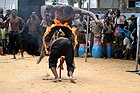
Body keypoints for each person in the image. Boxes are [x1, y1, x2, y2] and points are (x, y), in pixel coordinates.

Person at [37, 4, 99, 82]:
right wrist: (45, 21)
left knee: (72, 40)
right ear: (61, 12)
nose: (66, 17)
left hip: (66, 25)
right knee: (46, 37)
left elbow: (89, 13)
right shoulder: (58, 7)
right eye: (65, 16)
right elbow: (43, 7)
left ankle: (71, 59)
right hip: (55, 21)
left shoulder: (75, 10)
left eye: (68, 16)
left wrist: (96, 19)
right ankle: (42, 54)